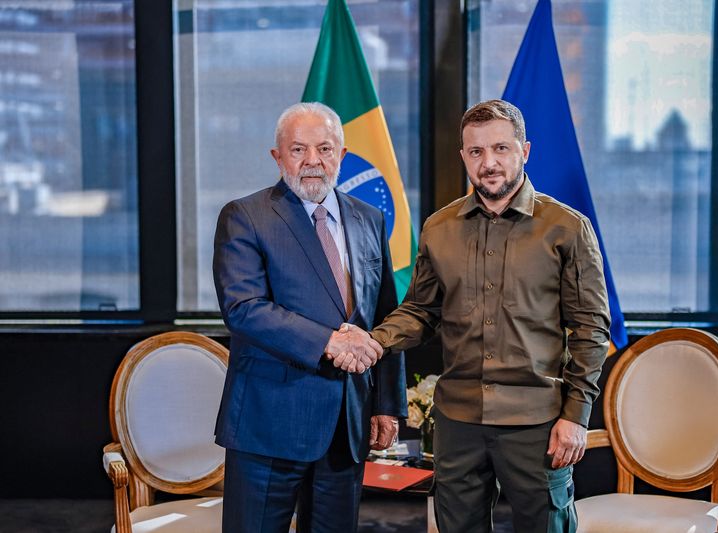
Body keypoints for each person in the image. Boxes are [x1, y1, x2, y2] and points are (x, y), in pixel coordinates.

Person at [369, 99, 610, 533]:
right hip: (458, 423)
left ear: (525, 151)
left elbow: (591, 330)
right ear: (463, 156)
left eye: (500, 148)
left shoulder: (567, 228)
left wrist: (576, 416)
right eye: (476, 152)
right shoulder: (438, 228)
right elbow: (421, 312)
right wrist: (373, 341)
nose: (489, 163)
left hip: (537, 423)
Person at [212, 102, 406, 533]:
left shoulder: (369, 219)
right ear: (277, 157)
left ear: (342, 153)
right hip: (269, 426)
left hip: (346, 426)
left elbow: (384, 315)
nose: (313, 161)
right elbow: (244, 309)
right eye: (298, 149)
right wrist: (329, 342)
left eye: (325, 148)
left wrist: (386, 405)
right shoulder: (245, 216)